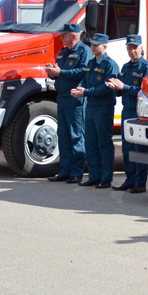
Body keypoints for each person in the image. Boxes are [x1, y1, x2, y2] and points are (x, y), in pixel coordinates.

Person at [44, 24, 92, 183]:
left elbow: (84, 71)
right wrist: (52, 72)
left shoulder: (84, 51)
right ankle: (65, 171)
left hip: (75, 99)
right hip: (62, 98)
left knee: (76, 135)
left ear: (74, 36)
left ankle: (77, 172)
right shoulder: (64, 52)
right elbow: (59, 73)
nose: (62, 37)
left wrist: (61, 72)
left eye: (65, 35)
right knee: (63, 136)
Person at [72, 33, 120, 189]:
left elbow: (106, 87)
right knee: (90, 143)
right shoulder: (91, 63)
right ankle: (94, 176)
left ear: (104, 46)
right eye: (91, 44)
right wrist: (80, 87)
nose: (93, 47)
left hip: (103, 108)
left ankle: (106, 178)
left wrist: (85, 92)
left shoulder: (110, 64)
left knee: (104, 143)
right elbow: (85, 80)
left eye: (96, 45)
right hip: (91, 107)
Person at [106, 34, 148, 193]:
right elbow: (121, 89)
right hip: (127, 110)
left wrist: (124, 87)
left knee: (139, 149)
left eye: (135, 48)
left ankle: (140, 183)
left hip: (139, 112)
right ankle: (130, 179)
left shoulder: (145, 67)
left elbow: (144, 91)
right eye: (129, 48)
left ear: (141, 48)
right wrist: (115, 87)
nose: (132, 51)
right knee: (127, 148)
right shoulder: (125, 67)